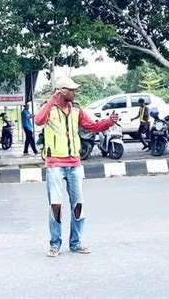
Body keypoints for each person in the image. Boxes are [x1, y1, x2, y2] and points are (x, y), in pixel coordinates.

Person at [34, 77, 118, 257]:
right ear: (62, 91)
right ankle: (55, 244)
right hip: (55, 163)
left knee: (78, 204)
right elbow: (38, 121)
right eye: (71, 90)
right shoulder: (49, 109)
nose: (75, 92)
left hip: (74, 163)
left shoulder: (77, 110)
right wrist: (51, 99)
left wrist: (109, 122)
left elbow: (91, 126)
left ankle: (75, 243)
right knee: (56, 205)